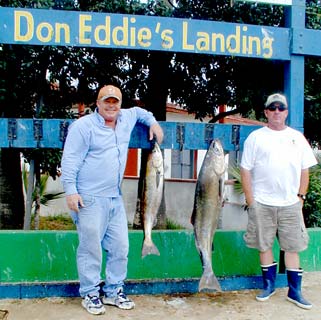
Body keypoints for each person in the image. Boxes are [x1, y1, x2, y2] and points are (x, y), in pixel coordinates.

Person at [61, 84, 164, 315]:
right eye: (106, 101)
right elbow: (70, 161)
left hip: (114, 197)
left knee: (120, 247)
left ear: (120, 104)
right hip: (88, 198)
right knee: (91, 249)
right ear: (97, 104)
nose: (111, 105)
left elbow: (140, 113)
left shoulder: (126, 117)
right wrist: (70, 191)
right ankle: (89, 293)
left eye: (115, 101)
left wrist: (153, 122)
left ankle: (113, 290)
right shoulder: (83, 127)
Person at [240, 93, 317, 310]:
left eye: (280, 108)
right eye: (272, 108)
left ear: (286, 112)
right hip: (262, 202)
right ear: (265, 112)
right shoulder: (255, 137)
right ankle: (269, 286)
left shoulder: (297, 138)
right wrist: (250, 200)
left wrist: (300, 197)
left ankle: (295, 291)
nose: (276, 111)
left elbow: (305, 170)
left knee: (292, 247)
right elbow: (245, 170)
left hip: (290, 203)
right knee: (264, 245)